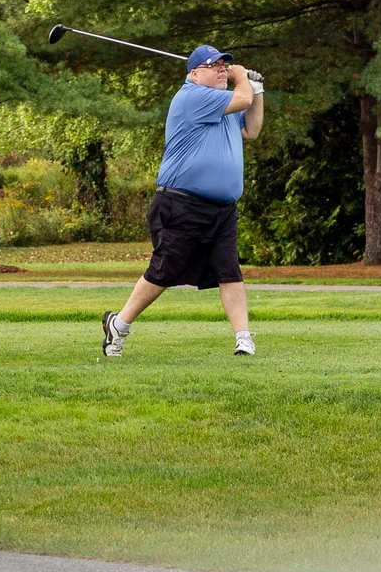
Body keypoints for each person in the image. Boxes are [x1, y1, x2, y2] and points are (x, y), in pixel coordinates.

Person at [102, 44, 266, 359]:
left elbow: (252, 129)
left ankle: (243, 339)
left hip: (222, 209)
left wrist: (257, 90)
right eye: (214, 65)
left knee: (229, 270)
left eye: (224, 65)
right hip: (181, 203)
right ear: (193, 73)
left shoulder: (222, 104)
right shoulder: (192, 97)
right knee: (164, 270)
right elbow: (242, 97)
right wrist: (243, 77)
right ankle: (119, 326)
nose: (222, 69)